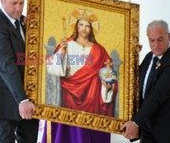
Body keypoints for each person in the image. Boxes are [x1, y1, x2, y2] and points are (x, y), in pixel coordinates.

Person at [42, 9, 118, 143]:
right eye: (81, 24)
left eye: (88, 25)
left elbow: (109, 75)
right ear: (76, 26)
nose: (84, 28)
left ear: (92, 28)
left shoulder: (100, 50)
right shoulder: (66, 45)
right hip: (70, 97)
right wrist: (63, 52)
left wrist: (107, 86)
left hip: (93, 99)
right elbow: (52, 69)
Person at [0, 0, 39, 143]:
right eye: (14, 3)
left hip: (27, 100)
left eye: (22, 3)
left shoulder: (24, 22)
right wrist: (22, 99)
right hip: (3, 103)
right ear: (2, 1)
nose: (18, 8)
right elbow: (7, 66)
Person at [121, 20, 170, 143]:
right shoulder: (149, 57)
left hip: (167, 131)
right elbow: (135, 82)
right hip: (148, 127)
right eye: (151, 40)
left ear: (169, 37)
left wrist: (135, 122)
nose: (155, 45)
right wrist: (133, 55)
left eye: (160, 39)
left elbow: (157, 95)